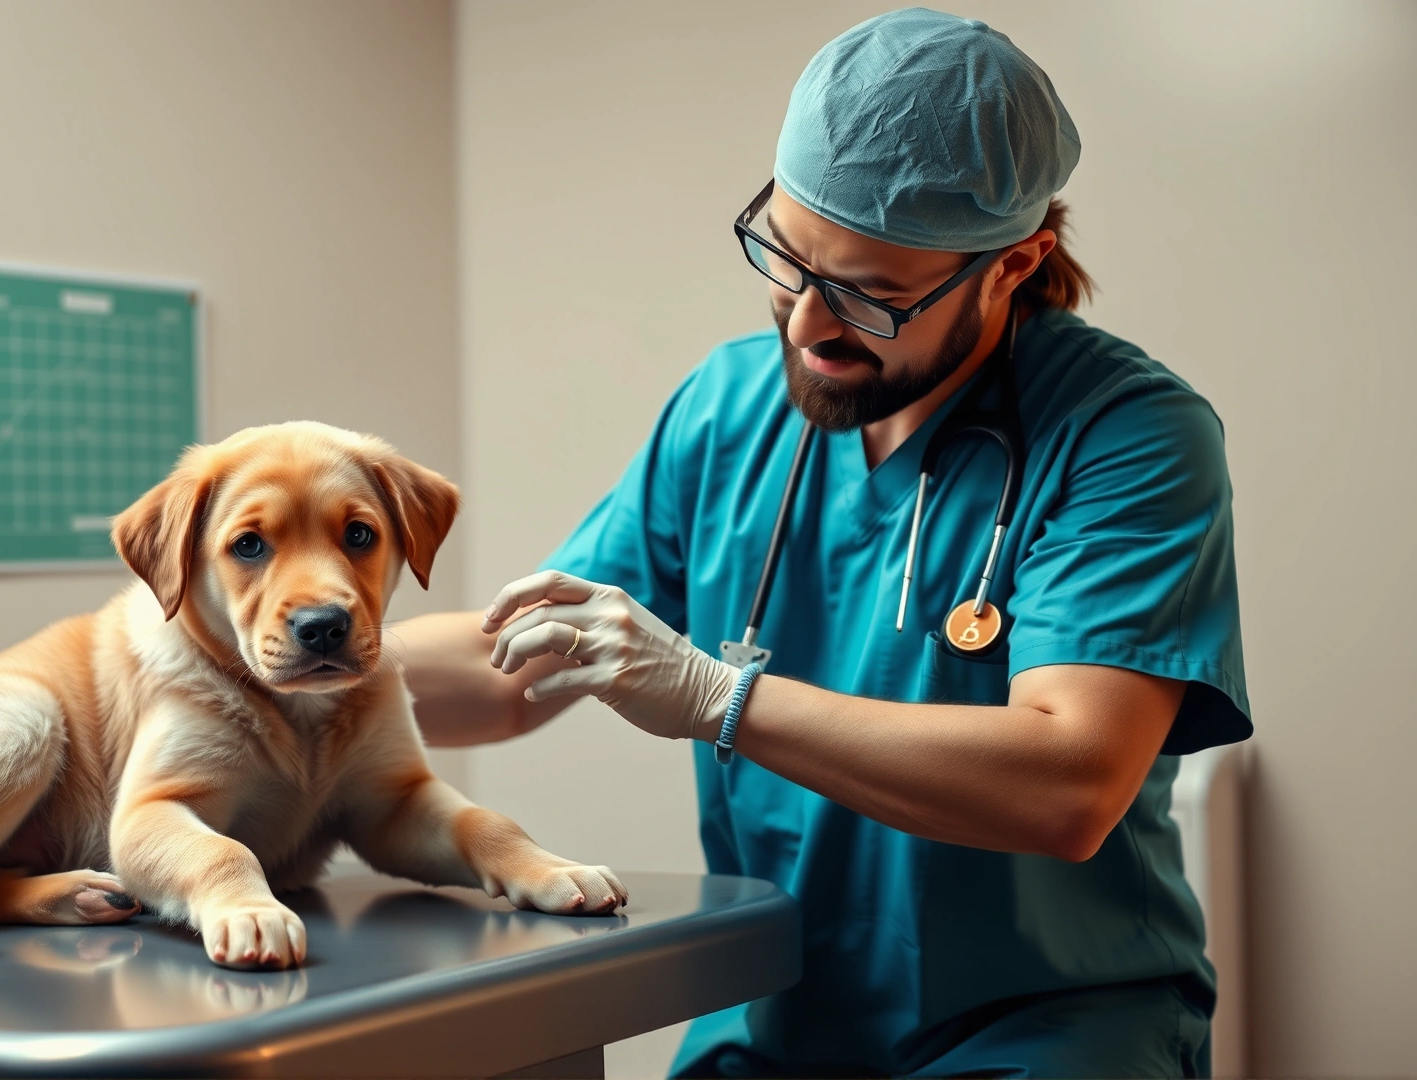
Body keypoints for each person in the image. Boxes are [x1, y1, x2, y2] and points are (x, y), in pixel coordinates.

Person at [388, 8, 1250, 1078]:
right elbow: (519, 663)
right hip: (772, 1021)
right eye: (788, 259)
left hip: (1043, 1032)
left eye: (873, 296)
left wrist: (716, 699)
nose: (805, 322)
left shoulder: (1128, 434)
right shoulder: (727, 404)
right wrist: (231, 666)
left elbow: (1068, 782)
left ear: (1014, 263)